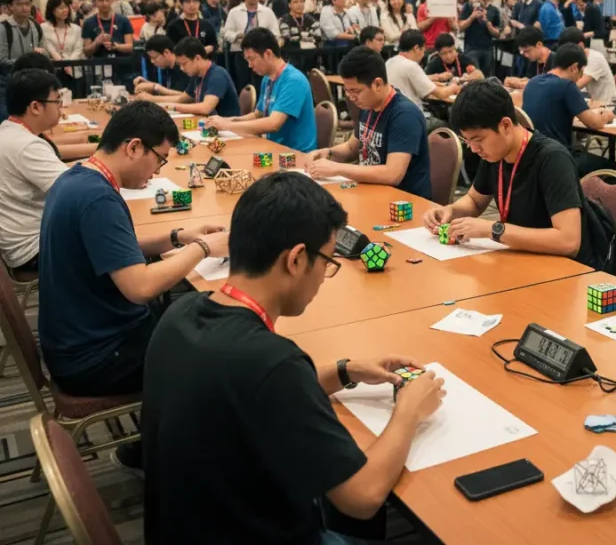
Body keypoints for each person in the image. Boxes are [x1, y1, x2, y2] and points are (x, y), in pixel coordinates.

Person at [142, 172, 445, 544]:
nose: (324, 276)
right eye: (327, 262)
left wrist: (344, 371)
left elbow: (245, 392)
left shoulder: (182, 311)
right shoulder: (272, 362)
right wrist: (408, 412)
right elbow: (362, 497)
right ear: (297, 259)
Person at [37, 102, 228, 471]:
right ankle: (174, 462)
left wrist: (176, 237)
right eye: (159, 159)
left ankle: (156, 443)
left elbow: (111, 249)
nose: (158, 171)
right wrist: (203, 248)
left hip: (78, 337)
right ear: (134, 147)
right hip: (95, 356)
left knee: (201, 314)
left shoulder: (77, 179)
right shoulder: (98, 198)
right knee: (218, 353)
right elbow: (139, 288)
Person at [423, 80, 608, 270]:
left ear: (505, 125)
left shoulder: (553, 159)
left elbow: (568, 242)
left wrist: (494, 230)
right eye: (468, 141)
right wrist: (451, 211)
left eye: (478, 139)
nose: (474, 149)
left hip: (565, 268)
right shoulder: (494, 154)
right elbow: (475, 201)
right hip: (522, 257)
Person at [306, 46, 431, 199]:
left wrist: (337, 168)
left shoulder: (405, 115)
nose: (351, 97)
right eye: (347, 90)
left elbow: (392, 174)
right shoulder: (368, 106)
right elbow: (351, 148)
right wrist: (328, 153)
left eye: (356, 91)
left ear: (377, 84)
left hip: (403, 201)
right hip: (371, 191)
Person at [0, 70, 69, 272]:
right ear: (36, 107)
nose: (61, 107)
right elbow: (76, 192)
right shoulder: (27, 145)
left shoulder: (8, 130)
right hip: (35, 249)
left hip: (22, 245)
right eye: (57, 101)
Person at [207, 28, 316, 153]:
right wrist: (227, 120)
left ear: (268, 54)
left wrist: (228, 126)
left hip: (294, 155)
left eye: (252, 59)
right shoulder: (267, 78)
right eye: (247, 60)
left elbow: (273, 124)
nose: (249, 65)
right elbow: (258, 114)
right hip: (273, 147)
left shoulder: (293, 81)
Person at [521, 43, 615, 176]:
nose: (580, 77)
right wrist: (607, 116)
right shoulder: (567, 86)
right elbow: (594, 123)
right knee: (613, 168)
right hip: (558, 158)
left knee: (581, 150)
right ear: (574, 68)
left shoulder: (533, 82)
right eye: (581, 72)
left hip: (531, 157)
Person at [137, 37, 241, 119]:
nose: (182, 68)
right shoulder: (197, 75)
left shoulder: (217, 75)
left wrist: (174, 107)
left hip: (228, 130)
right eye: (180, 65)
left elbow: (206, 108)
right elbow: (182, 99)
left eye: (184, 64)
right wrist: (153, 101)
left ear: (197, 58)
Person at [384, 30, 459, 122]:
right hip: (411, 118)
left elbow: (415, 80)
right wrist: (454, 86)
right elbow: (441, 93)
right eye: (423, 49)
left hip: (392, 116)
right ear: (416, 48)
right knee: (446, 125)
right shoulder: (411, 65)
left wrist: (436, 78)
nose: (424, 54)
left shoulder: (389, 62)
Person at [223, 0, 280, 89]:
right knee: (243, 85)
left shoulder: (267, 12)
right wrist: (237, 36)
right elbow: (226, 33)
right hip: (241, 53)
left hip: (262, 54)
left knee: (262, 84)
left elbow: (275, 33)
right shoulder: (234, 12)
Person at [40, 0, 84, 95]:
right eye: (60, 8)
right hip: (53, 71)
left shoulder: (76, 29)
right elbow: (48, 47)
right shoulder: (43, 28)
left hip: (73, 71)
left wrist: (69, 64)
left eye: (66, 7)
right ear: (52, 10)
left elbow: (78, 49)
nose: (64, 10)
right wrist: (62, 63)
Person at [558, 26, 615, 103]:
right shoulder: (577, 59)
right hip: (593, 103)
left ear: (581, 45)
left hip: (606, 105)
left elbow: (577, 86)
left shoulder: (595, 58)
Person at [459, 0, 501, 76]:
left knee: (487, 78)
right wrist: (472, 17)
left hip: (488, 48)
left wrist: (487, 22)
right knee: (474, 77)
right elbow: (460, 26)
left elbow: (497, 34)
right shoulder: (469, 6)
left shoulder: (494, 10)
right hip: (471, 48)